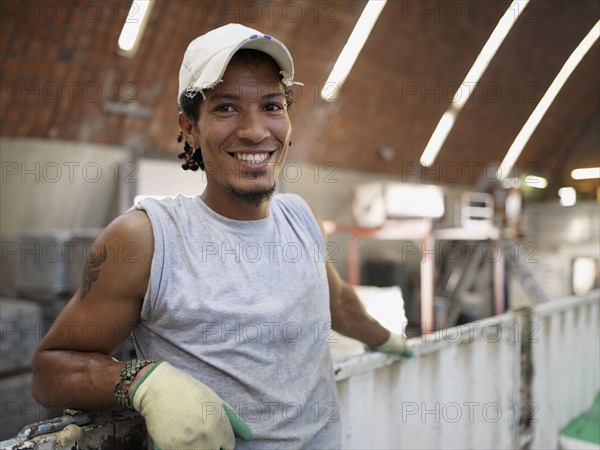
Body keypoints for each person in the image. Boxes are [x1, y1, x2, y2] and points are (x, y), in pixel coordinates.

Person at [30, 23, 411, 449]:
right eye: (226, 108)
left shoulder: (301, 218)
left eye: (272, 105)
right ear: (189, 128)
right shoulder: (149, 238)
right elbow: (51, 369)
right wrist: (141, 381)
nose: (254, 130)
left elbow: (337, 301)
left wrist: (390, 341)